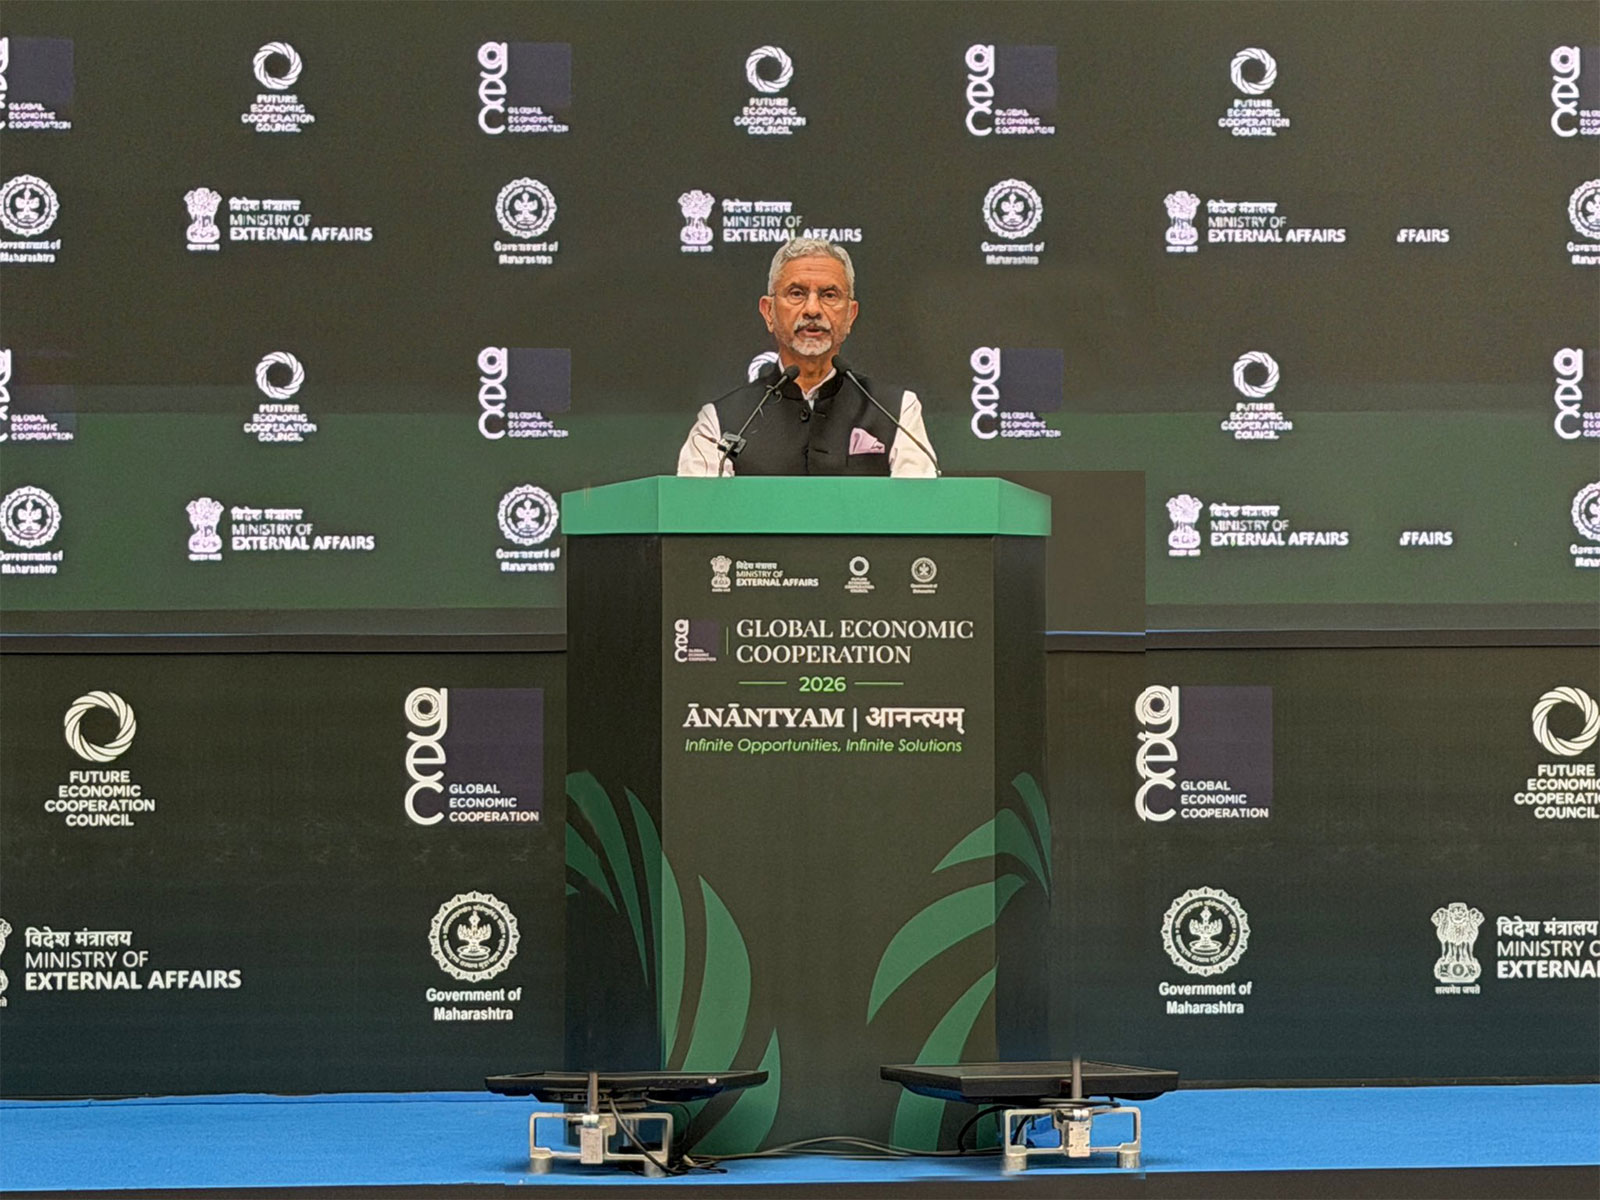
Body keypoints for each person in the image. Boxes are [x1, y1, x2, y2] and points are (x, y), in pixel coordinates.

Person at [676, 238, 937, 476]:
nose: (812, 309)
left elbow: (919, 515)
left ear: (850, 316)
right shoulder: (721, 423)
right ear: (768, 312)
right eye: (797, 293)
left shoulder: (898, 413)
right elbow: (696, 517)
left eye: (829, 295)